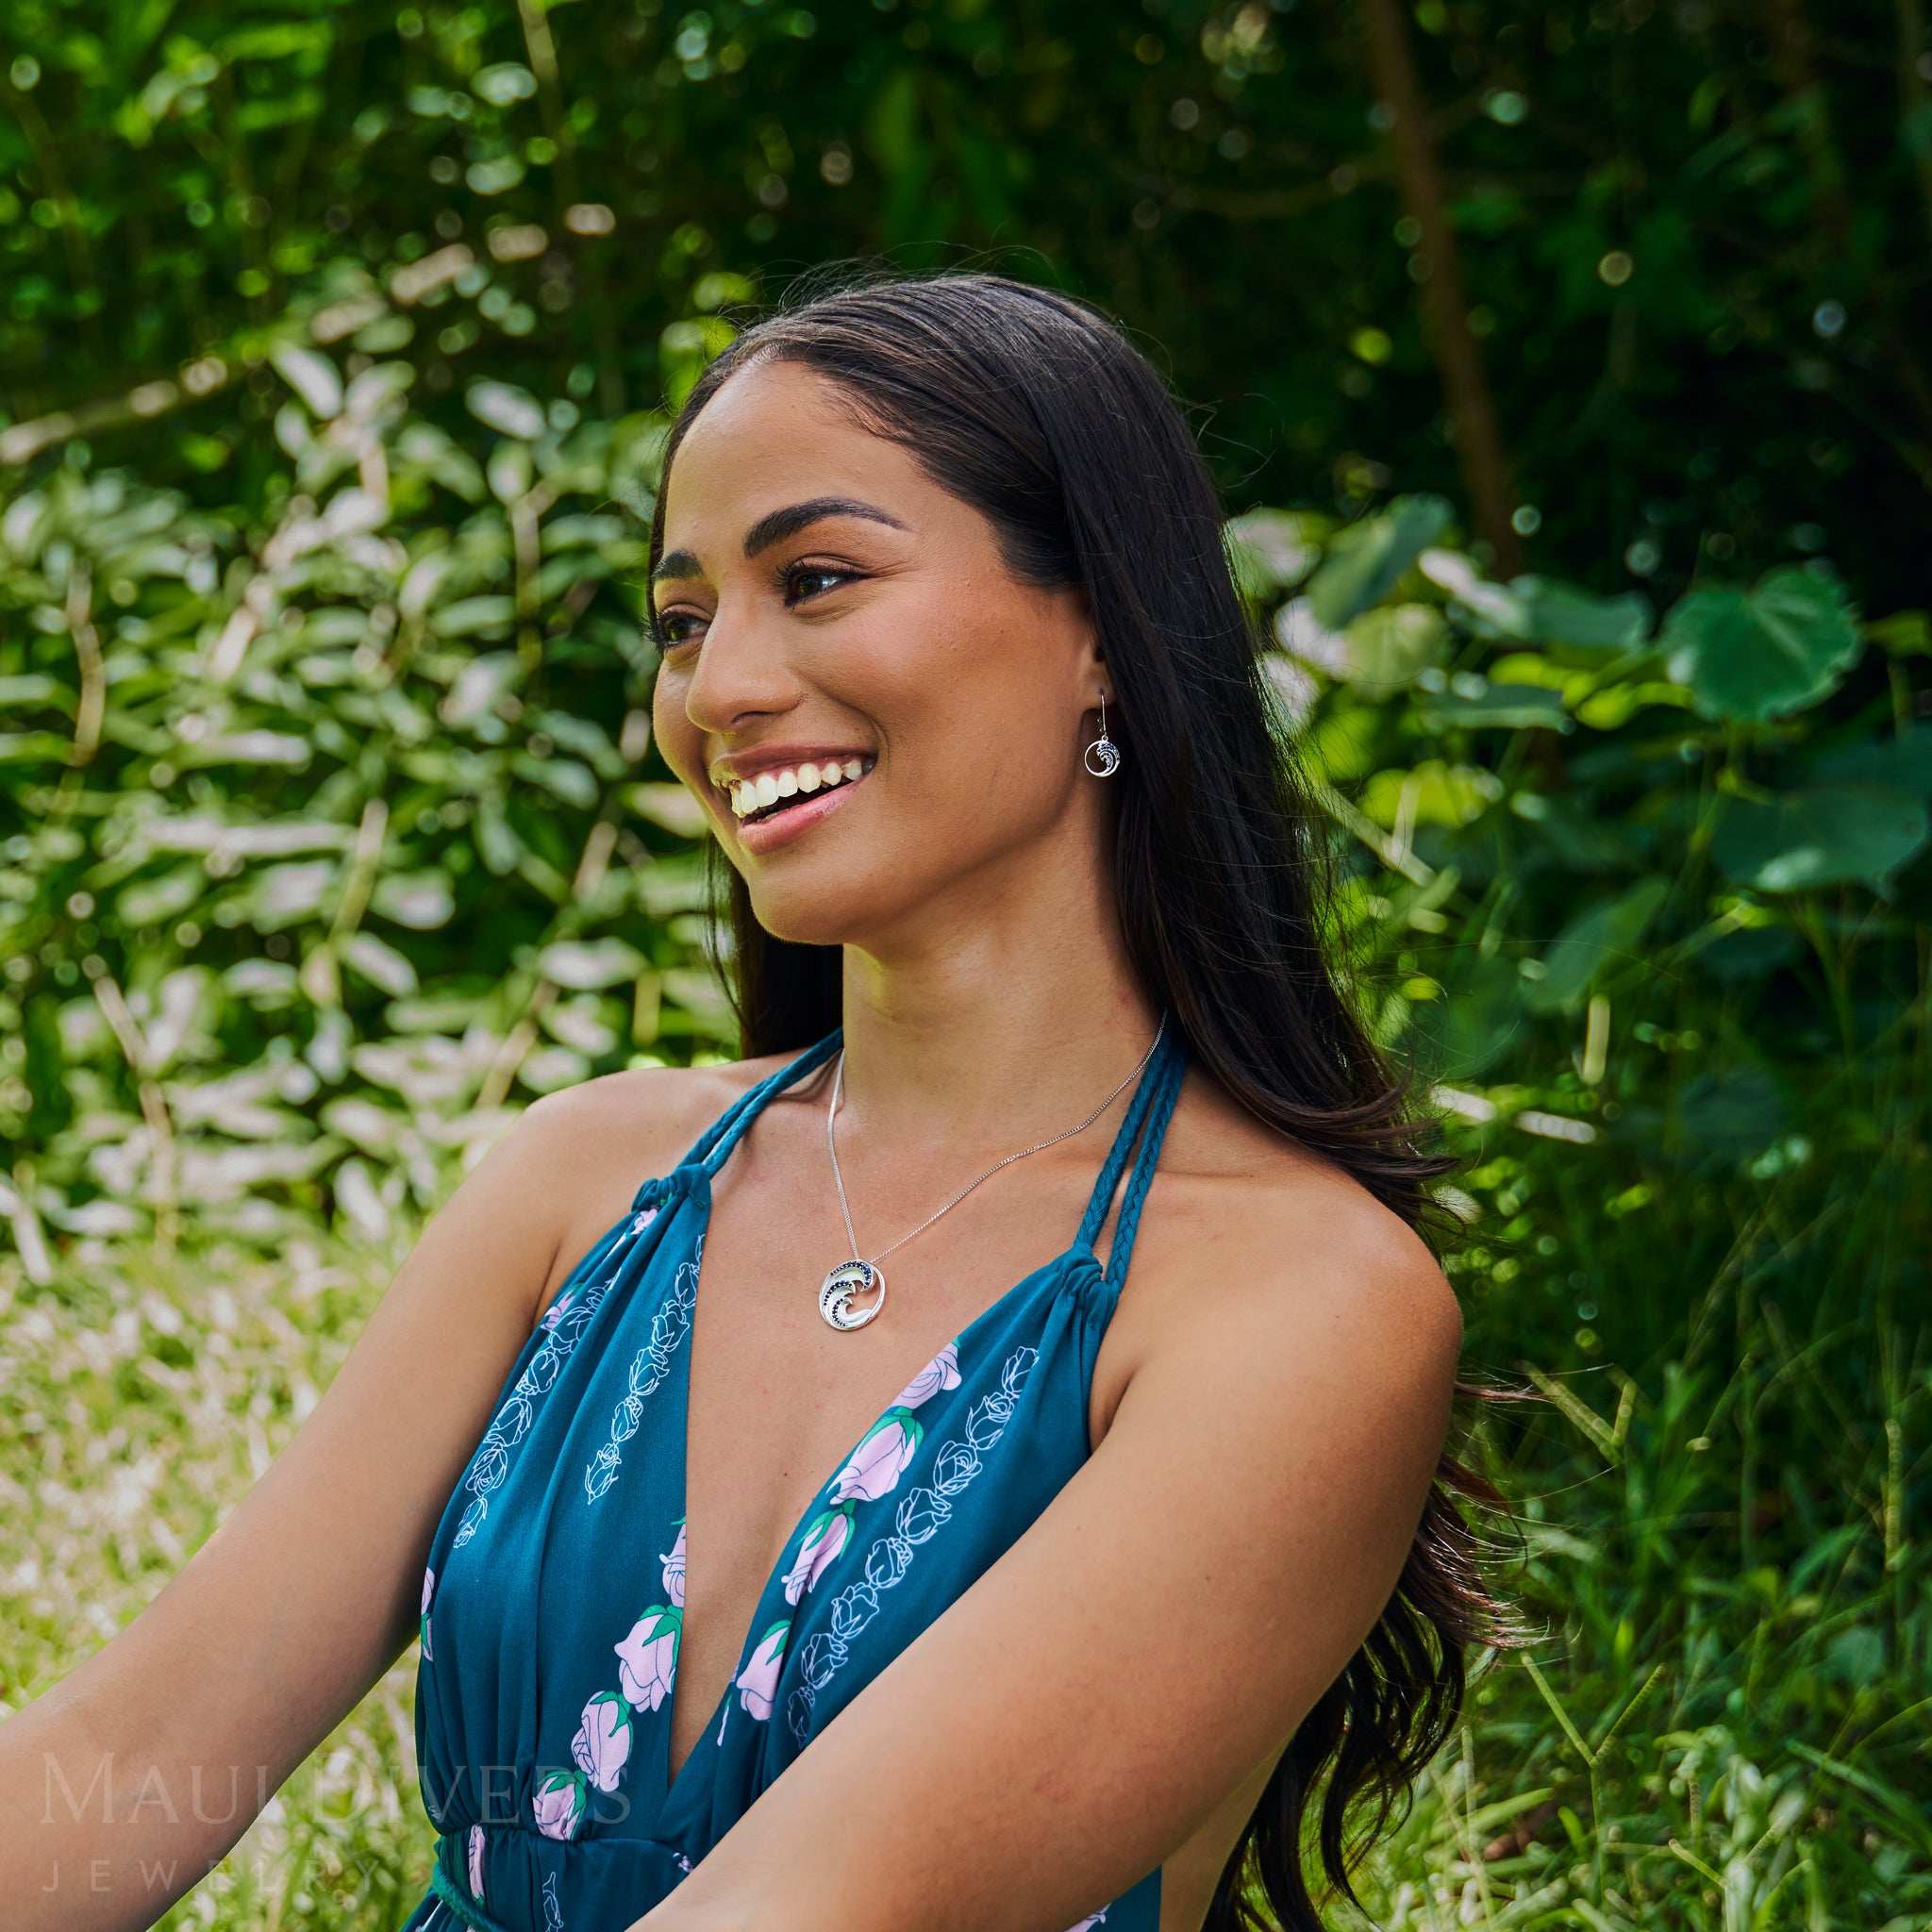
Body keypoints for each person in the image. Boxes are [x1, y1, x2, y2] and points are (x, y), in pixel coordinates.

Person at [0, 271, 1500, 1932]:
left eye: (820, 578)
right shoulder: (587, 1180)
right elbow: (134, 1759)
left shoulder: (1299, 1307)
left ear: (1102, 630)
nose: (718, 692)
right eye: (684, 619)